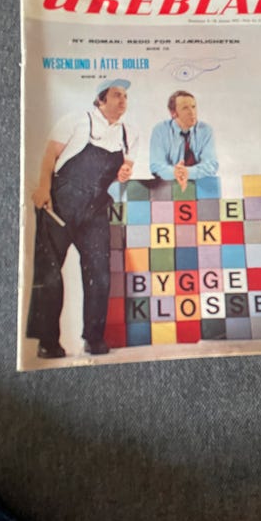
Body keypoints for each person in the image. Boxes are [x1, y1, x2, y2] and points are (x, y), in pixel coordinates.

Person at [26, 79, 138, 358]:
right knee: (50, 274)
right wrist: (43, 188)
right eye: (116, 95)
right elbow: (49, 156)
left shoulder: (130, 133)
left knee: (100, 274)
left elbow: (124, 170)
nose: (122, 100)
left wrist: (124, 174)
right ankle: (48, 342)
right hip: (60, 205)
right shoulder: (77, 120)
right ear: (101, 99)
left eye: (125, 96)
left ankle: (94, 338)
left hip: (95, 211)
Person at [149, 90, 218, 191]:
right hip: (169, 188)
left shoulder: (205, 130)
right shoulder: (160, 130)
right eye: (185, 108)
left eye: (193, 107)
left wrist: (187, 172)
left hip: (201, 188)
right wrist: (175, 173)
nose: (192, 112)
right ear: (173, 113)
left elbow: (211, 165)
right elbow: (156, 166)